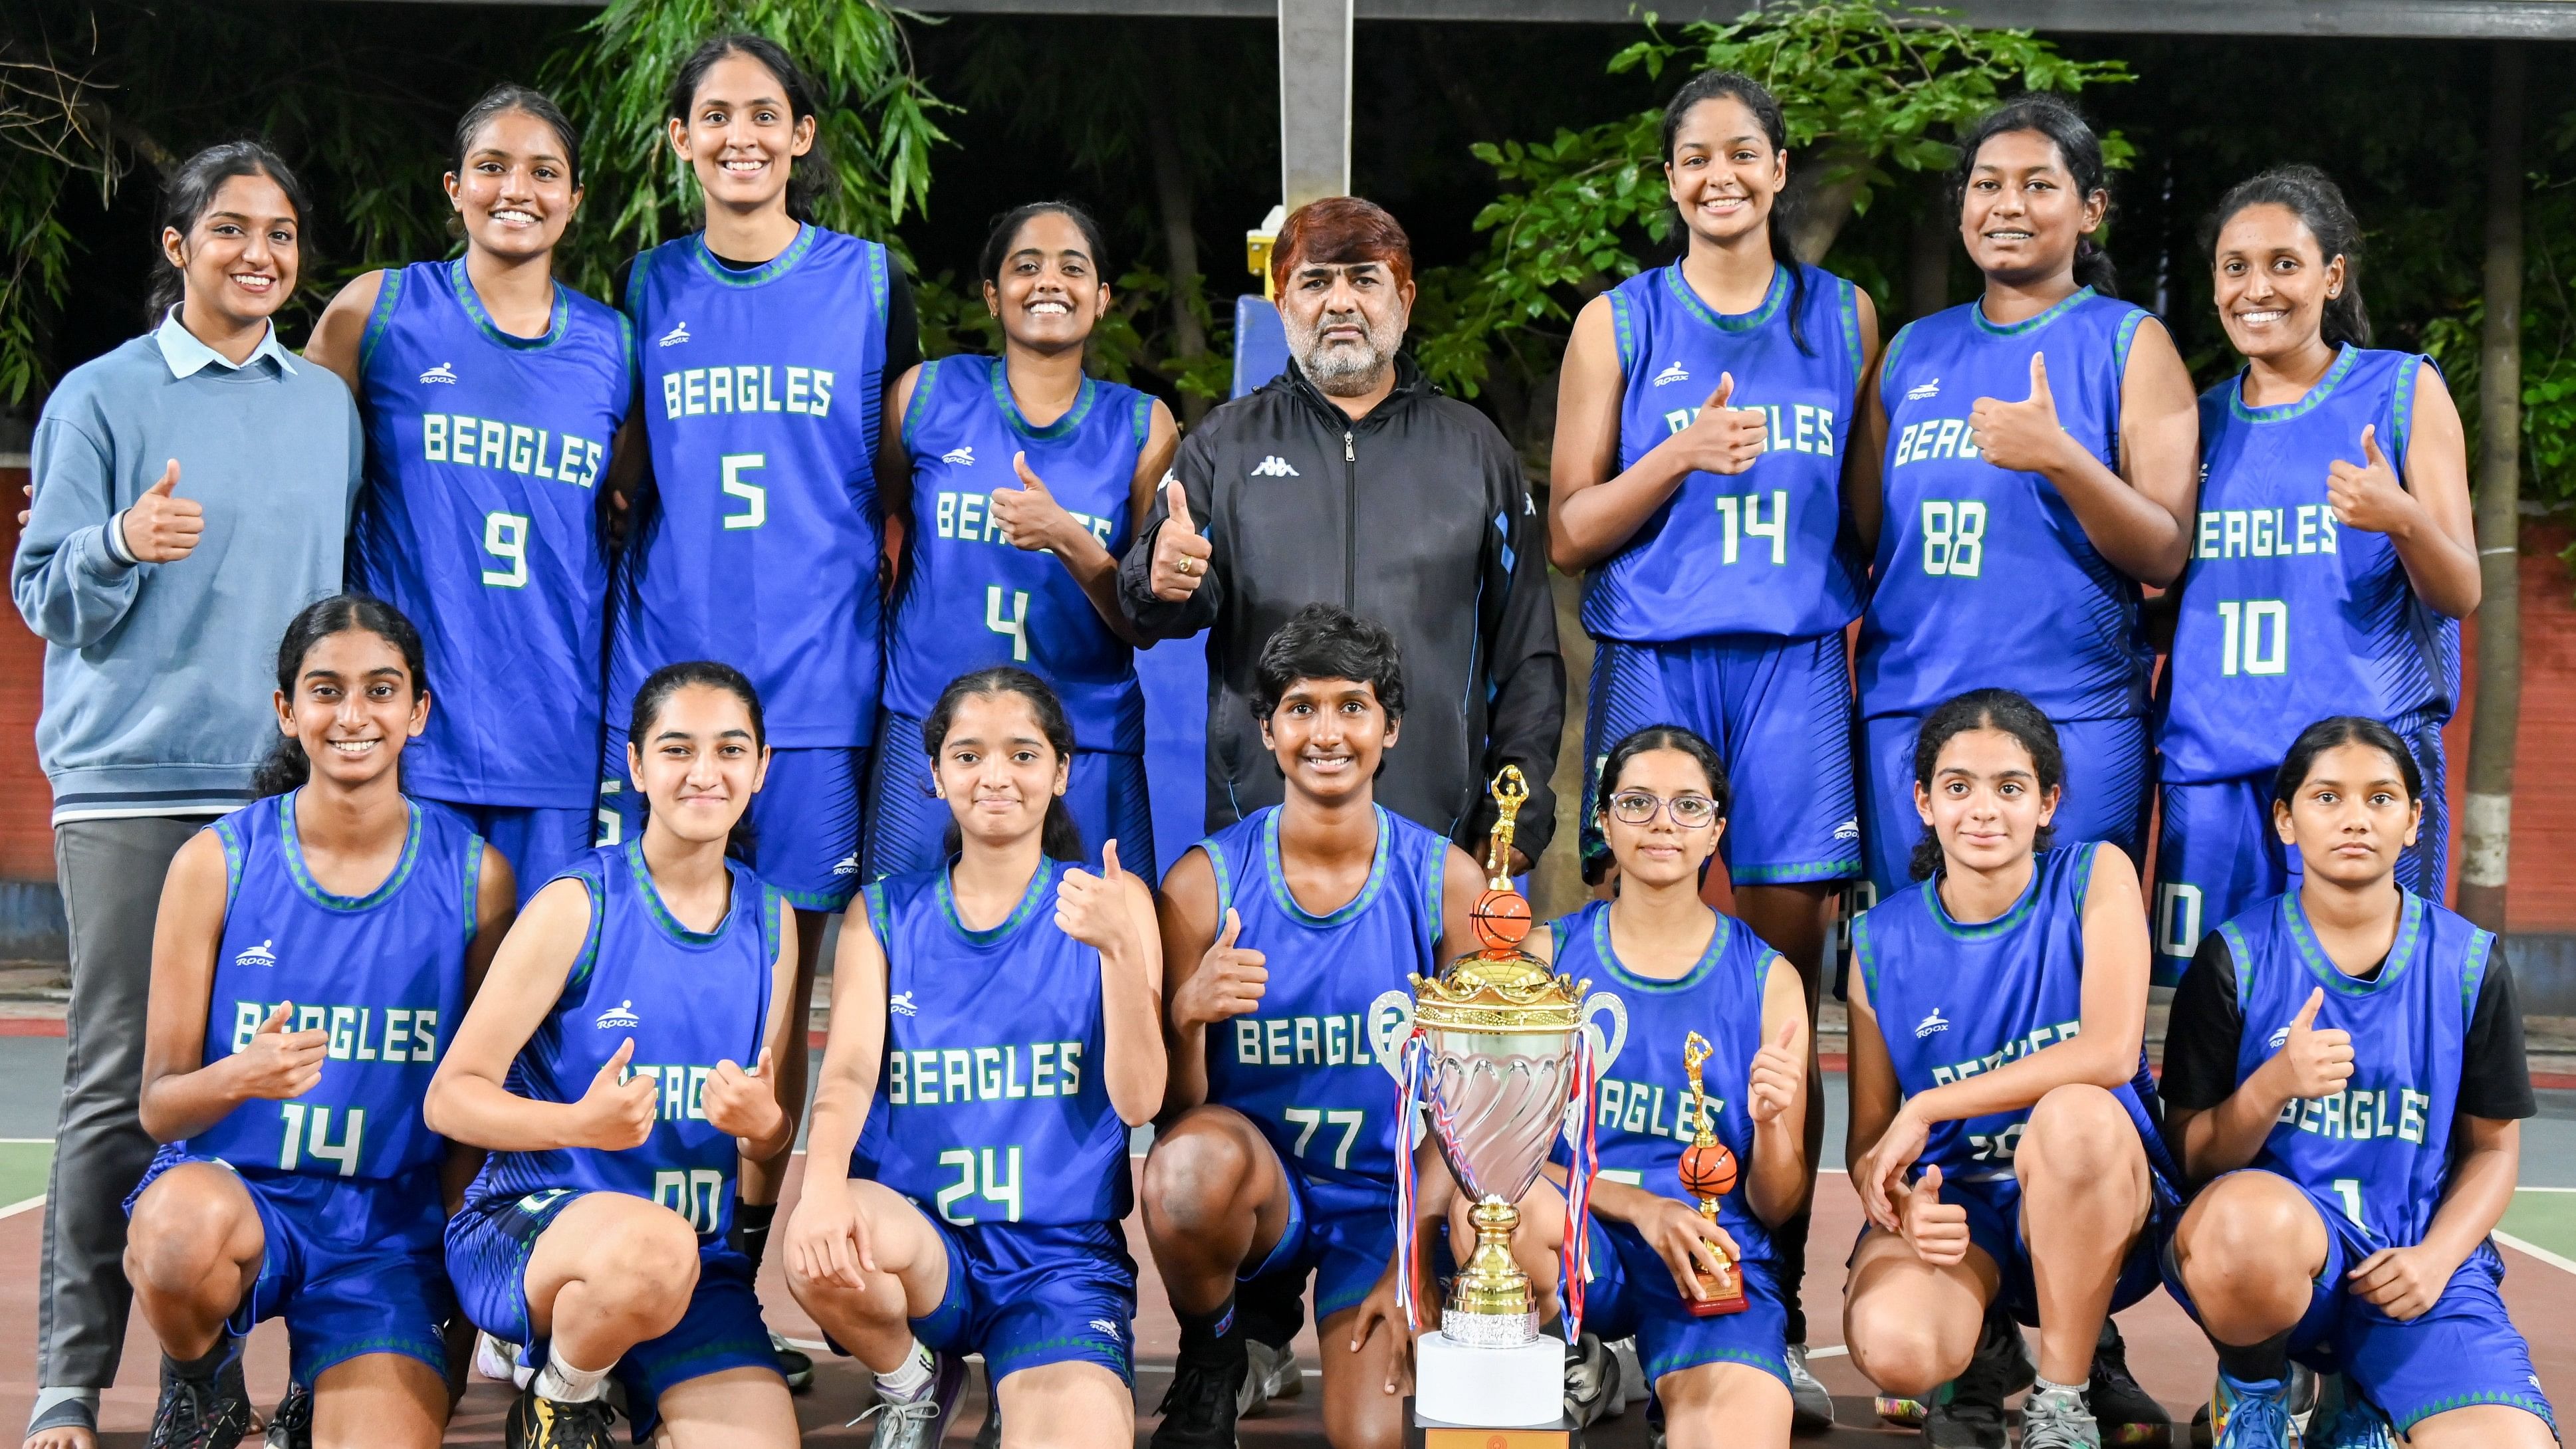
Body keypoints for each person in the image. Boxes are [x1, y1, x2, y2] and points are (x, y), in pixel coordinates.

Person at [11, 141, 362, 1449]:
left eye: (279, 234)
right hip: (135, 785)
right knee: (119, 1081)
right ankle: (67, 1381)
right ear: (176, 247)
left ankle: (228, 1375)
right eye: (229, 230)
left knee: (278, 1084)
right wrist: (118, 541)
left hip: (281, 793)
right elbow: (43, 591)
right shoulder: (101, 401)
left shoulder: (322, 406)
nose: (258, 254)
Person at [1545, 68, 1875, 1419]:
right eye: (1693, 157)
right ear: (1668, 178)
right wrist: (1675, 454)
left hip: (1790, 657)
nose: (1717, 175)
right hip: (1657, 654)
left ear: (1779, 168)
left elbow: (1860, 515)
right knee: (1617, 939)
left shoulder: (1839, 315)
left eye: (1742, 152)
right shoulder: (1616, 322)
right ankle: (1592, 1275)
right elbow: (1568, 527)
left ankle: (1768, 1287)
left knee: (1779, 984)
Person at [605, 31, 920, 1376]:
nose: (738, 135)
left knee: (780, 1002)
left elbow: (899, 491)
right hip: (673, 693)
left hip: (813, 701)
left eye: (764, 116)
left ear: (799, 138)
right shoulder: (645, 282)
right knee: (647, 984)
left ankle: (732, 1270)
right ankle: (626, 1253)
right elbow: (626, 479)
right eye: (713, 116)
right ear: (678, 141)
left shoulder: (866, 284)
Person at [120, 595, 509, 1449]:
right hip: (241, 1195)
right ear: (288, 712)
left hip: (386, 1233)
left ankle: (318, 1389)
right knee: (173, 1234)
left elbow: (471, 1107)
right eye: (326, 690)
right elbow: (159, 1106)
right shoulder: (216, 862)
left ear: (417, 711)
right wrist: (241, 1074)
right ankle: (202, 1380)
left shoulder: (476, 876)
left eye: (380, 689)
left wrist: (465, 1279)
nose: (353, 714)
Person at [1114, 197, 1563, 866]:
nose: (1340, 301)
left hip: (1434, 837)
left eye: (1364, 278)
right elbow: (1154, 610)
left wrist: (1515, 815)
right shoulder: (1224, 444)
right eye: (1316, 281)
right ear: (1280, 300)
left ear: (1404, 298)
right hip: (1260, 833)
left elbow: (1526, 652)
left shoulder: (1476, 451)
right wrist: (1159, 577)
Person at [784, 668, 1163, 1449]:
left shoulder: (1110, 902)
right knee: (814, 1246)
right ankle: (913, 1374)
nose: (994, 775)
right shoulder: (882, 911)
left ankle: (1031, 1380)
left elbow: (1139, 1100)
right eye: (968, 754)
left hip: (1058, 1260)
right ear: (934, 773)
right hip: (926, 1244)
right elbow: (850, 1068)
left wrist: (1123, 953)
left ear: (1061, 771)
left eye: (1023, 754)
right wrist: (818, 1188)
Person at [1138, 603, 1488, 1449]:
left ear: (1391, 727)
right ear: (1265, 729)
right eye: (1300, 707)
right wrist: (1185, 1014)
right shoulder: (1202, 885)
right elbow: (1173, 1112)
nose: (1325, 732)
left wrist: (1418, 1250)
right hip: (1262, 1192)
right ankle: (1215, 1349)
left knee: (1366, 1438)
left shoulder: (1448, 882)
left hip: (1384, 1202)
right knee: (1183, 1173)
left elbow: (1478, 1098)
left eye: (1351, 706)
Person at [430, 661, 801, 1449]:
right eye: (677, 749)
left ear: (761, 767)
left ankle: (617, 1378)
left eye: (731, 749)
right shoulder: (577, 904)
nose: (705, 771)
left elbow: (763, 1140)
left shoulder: (772, 918)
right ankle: (559, 1393)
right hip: (538, 1230)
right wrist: (578, 1122)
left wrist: (766, 1125)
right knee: (647, 1248)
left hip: (690, 1260)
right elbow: (451, 1097)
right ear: (635, 765)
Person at [2159, 717, 2551, 1449]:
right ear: (2284, 818)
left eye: (2379, 798)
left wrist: (2435, 1259)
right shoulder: (2233, 959)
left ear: (2411, 822)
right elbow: (2191, 1158)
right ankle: (2254, 1393)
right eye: (2326, 796)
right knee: (2245, 1224)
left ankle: (2355, 1398)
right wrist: (2271, 1084)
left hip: (2412, 1265)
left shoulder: (2466, 963)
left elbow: (2493, 1151)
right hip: (2278, 1263)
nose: (2353, 818)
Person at [1850, 96, 2198, 903]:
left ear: (2090, 210)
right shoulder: (1910, 351)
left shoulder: (2127, 342)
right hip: (1911, 707)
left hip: (2071, 713)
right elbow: (1859, 535)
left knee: (2064, 963)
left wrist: (2061, 460)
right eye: (1985, 184)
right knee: (1911, 968)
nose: (2006, 205)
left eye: (2037, 185)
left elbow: (2162, 550)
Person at [307, 85, 632, 901]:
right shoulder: (377, 311)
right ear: (454, 188)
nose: (516, 190)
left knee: (536, 1010)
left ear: (574, 199)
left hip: (555, 726)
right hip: (402, 732)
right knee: (405, 1000)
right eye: (491, 166)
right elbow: (279, 457)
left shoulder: (613, 345)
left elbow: (633, 509)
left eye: (543, 171)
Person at [2151, 168, 2478, 976]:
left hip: (2357, 764)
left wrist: (2399, 516)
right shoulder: (2198, 419)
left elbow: (2460, 589)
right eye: (2234, 267)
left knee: (2371, 1005)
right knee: (2206, 1022)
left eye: (2282, 264)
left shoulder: (2400, 389)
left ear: (2331, 276)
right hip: (2213, 767)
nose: (2254, 288)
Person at [1841, 689, 2177, 1449]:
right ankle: (1984, 1342)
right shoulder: (1878, 939)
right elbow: (1870, 1144)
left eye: (2009, 787)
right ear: (1924, 802)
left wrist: (1927, 1105)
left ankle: (2063, 1393)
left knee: (2077, 1114)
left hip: (2092, 1188)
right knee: (1898, 1346)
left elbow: (2109, 1050)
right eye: (1957, 787)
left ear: (2047, 801)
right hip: (1962, 1206)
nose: (1982, 809)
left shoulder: (2096, 875)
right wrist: (1896, 1197)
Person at [1462, 725, 1814, 1448]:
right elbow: (1484, 1159)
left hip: (1704, 1255)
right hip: (1570, 1234)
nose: (1661, 822)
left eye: (1688, 806)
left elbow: (1777, 1204)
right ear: (1602, 819)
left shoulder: (1767, 978)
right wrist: (1641, 1206)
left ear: (1716, 827)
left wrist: (1773, 1124)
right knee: (1508, 1205)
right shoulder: (1540, 959)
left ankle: (1667, 1367)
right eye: (1637, 802)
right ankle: (1570, 1341)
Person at [868, 202, 1178, 881]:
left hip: (1085, 734)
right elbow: (873, 523)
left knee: (1102, 957)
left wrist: (1067, 536)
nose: (1048, 281)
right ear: (991, 293)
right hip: (932, 728)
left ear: (1099, 299)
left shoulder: (1142, 425)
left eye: (1072, 268)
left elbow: (1144, 622)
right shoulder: (924, 395)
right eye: (1025, 266)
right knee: (904, 949)